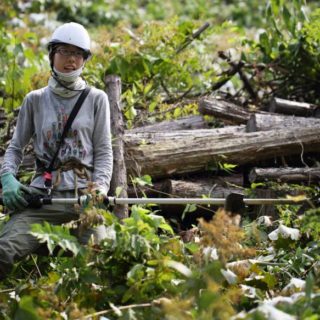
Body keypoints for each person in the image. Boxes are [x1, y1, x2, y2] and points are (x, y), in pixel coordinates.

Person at [0, 22, 113, 279]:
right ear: (52, 55)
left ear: (84, 59)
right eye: (64, 51)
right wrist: (8, 178)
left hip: (83, 201)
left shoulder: (97, 99)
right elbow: (15, 148)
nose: (70, 60)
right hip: (44, 198)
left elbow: (105, 152)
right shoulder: (35, 100)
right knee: (3, 250)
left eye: (77, 54)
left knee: (103, 262)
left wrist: (100, 189)